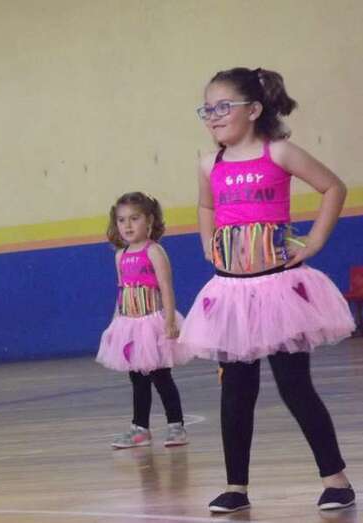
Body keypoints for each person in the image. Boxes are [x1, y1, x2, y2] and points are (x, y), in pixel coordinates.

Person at [180, 67, 356, 513]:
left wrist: (314, 242)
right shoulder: (208, 164)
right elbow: (206, 205)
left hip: (278, 291)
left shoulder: (278, 152)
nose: (213, 116)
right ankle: (236, 487)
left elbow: (333, 187)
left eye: (224, 107)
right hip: (231, 295)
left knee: (295, 387)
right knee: (236, 393)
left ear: (254, 109)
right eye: (207, 109)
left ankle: (336, 480)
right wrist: (207, 241)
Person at [97, 192, 192, 448]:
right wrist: (115, 323)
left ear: (149, 221)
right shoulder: (120, 255)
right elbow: (122, 290)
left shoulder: (154, 251)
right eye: (121, 220)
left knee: (161, 377)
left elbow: (166, 287)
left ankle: (176, 426)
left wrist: (169, 321)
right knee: (137, 379)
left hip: (153, 324)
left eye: (134, 218)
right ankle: (140, 429)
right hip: (130, 325)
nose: (127, 226)